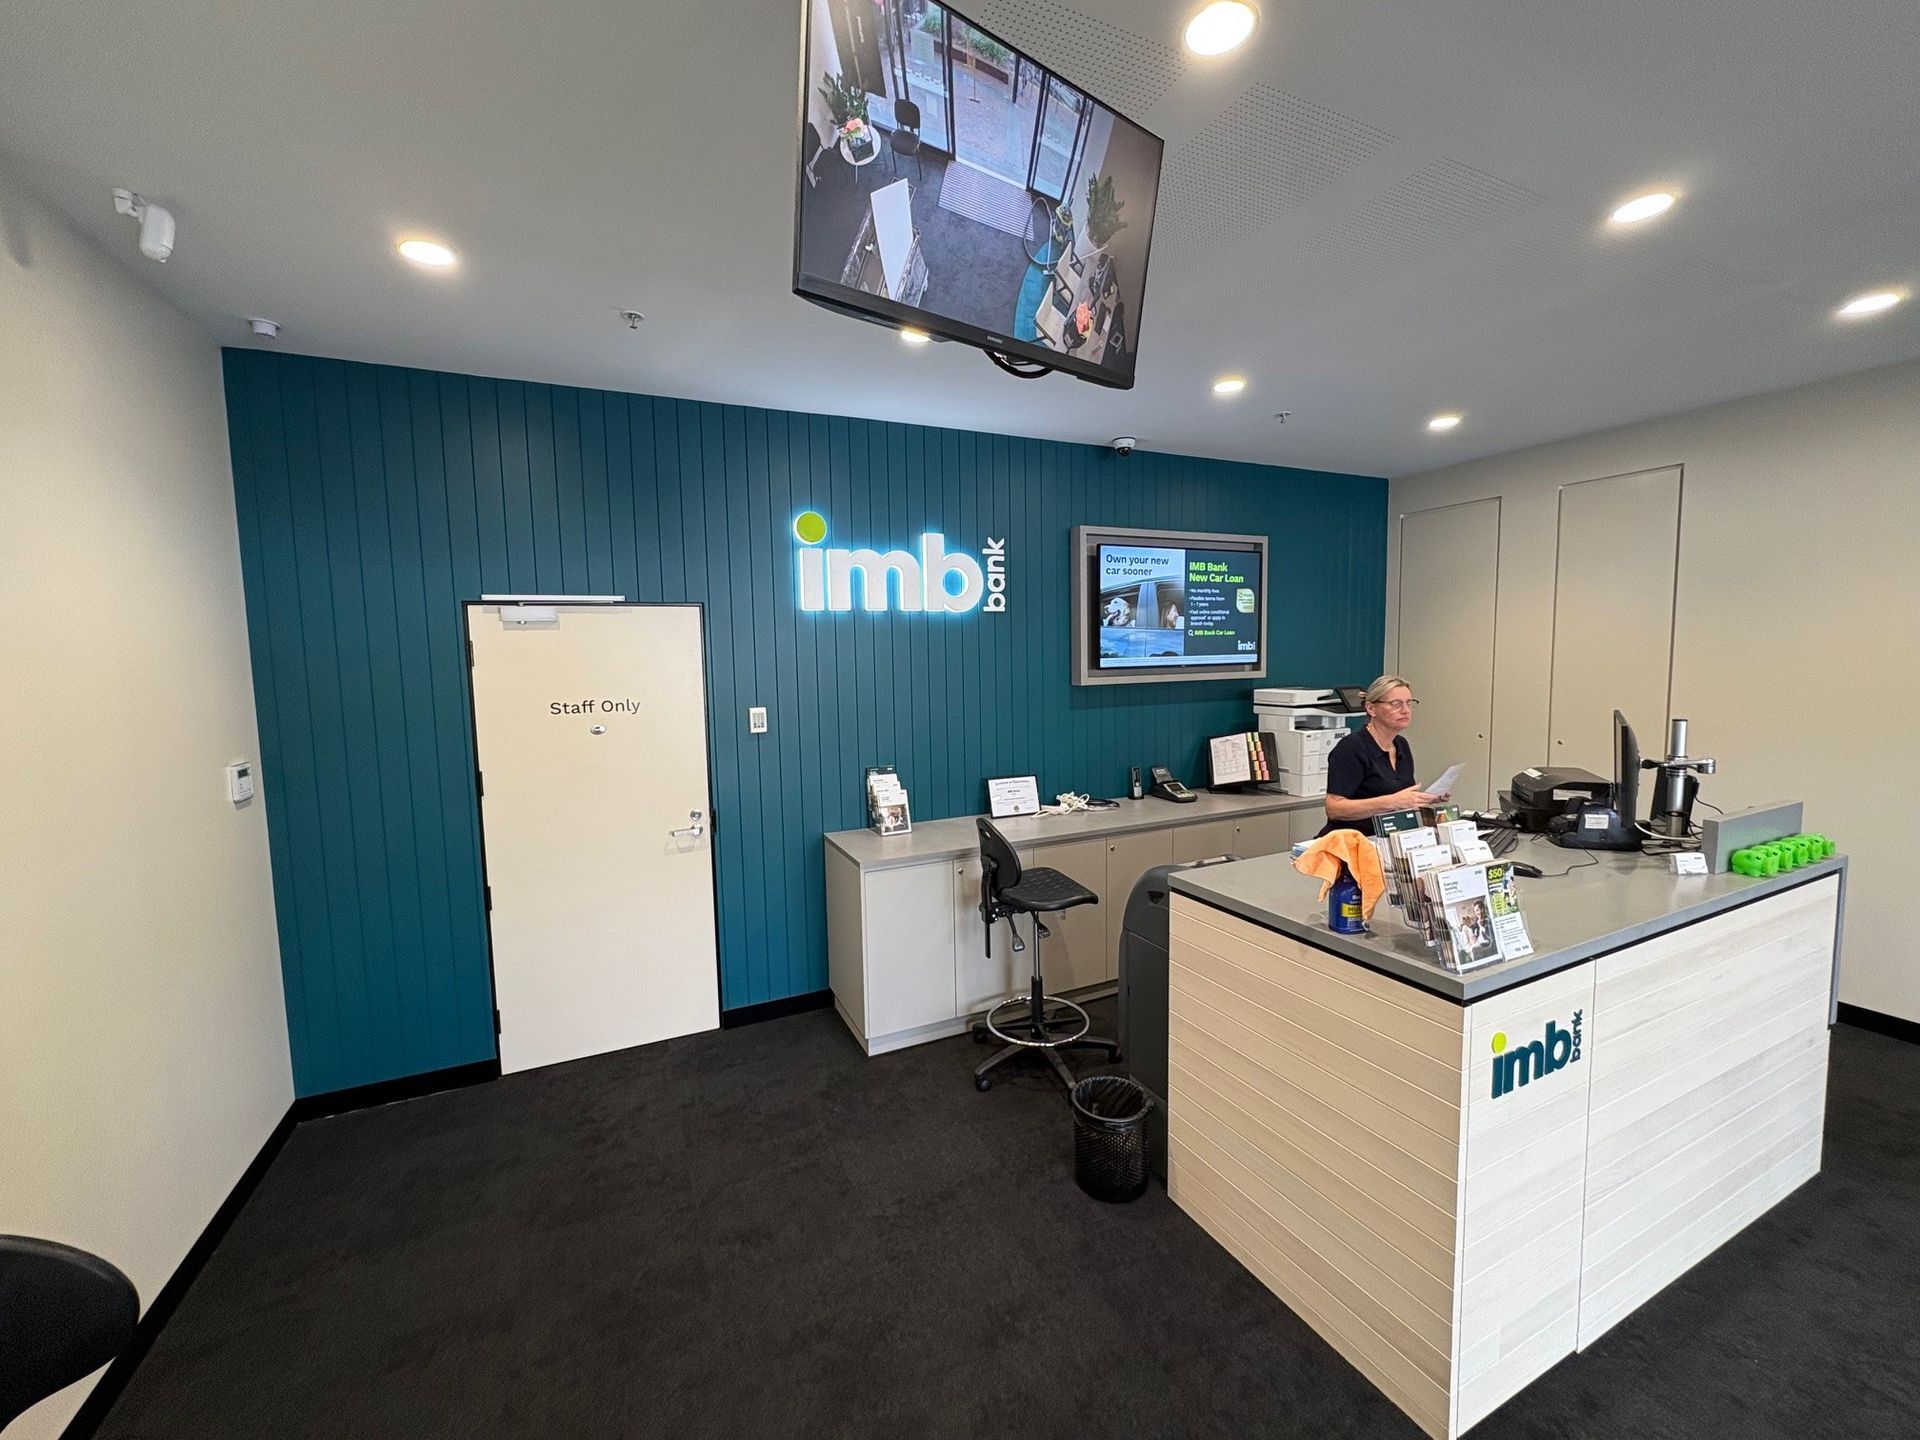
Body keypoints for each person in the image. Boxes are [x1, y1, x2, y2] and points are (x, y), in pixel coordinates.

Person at [1318, 674, 1447, 836]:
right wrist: (1392, 802)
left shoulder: (1401, 745)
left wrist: (1425, 799)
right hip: (1353, 840)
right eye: (1395, 704)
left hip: (1391, 837)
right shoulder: (1352, 747)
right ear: (1371, 709)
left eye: (1409, 703)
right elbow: (1334, 808)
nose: (1405, 710)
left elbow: (1401, 797)